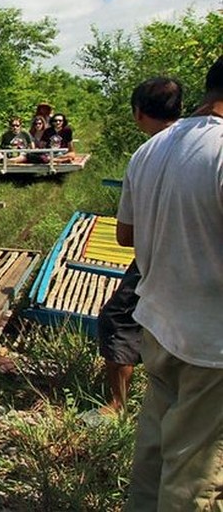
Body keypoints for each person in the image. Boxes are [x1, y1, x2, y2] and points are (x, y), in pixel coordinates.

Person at [117, 57, 223, 510]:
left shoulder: (151, 148)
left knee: (156, 452)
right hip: (210, 343)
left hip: (159, 323)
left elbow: (126, 234)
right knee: (194, 477)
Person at [95, 77, 182, 417]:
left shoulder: (147, 154)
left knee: (117, 320)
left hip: (162, 259)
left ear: (138, 113)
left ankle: (118, 405)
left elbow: (125, 236)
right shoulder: (210, 143)